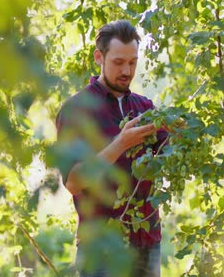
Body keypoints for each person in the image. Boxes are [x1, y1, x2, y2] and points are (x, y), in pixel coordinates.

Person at [55, 20, 168, 277]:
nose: (127, 70)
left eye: (132, 62)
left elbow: (169, 155)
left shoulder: (145, 108)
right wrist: (120, 143)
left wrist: (181, 134)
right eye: (118, 62)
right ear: (99, 57)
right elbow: (73, 181)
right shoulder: (76, 110)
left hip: (148, 242)